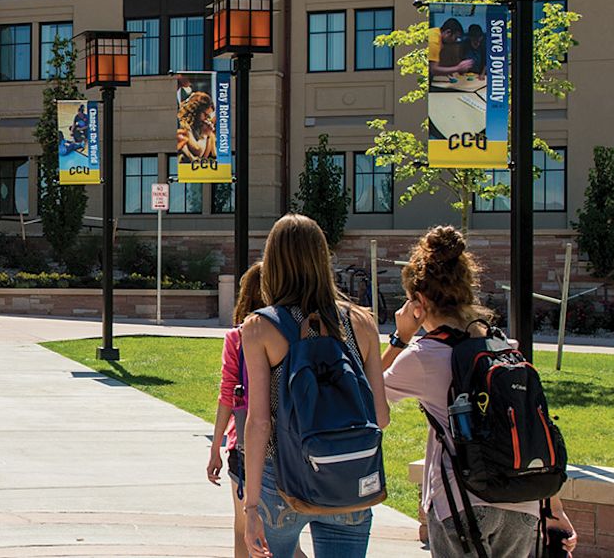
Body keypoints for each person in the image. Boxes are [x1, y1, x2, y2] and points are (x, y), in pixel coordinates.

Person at [382, 226, 578, 558]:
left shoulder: (423, 357)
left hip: (461, 505)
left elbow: (365, 389)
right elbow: (528, 426)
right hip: (524, 502)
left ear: (421, 301)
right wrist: (554, 509)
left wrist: (400, 337)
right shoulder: (503, 347)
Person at [239, 214, 389, 558]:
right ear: (323, 259)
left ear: (274, 262)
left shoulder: (260, 327)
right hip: (347, 473)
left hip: (283, 478)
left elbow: (259, 422)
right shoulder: (361, 322)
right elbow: (380, 417)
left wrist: (250, 506)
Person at [207, 263, 267, 553]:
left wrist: (214, 447)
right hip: (284, 443)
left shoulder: (237, 337)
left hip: (242, 443)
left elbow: (227, 396)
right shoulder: (289, 334)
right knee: (279, 531)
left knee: (243, 526)